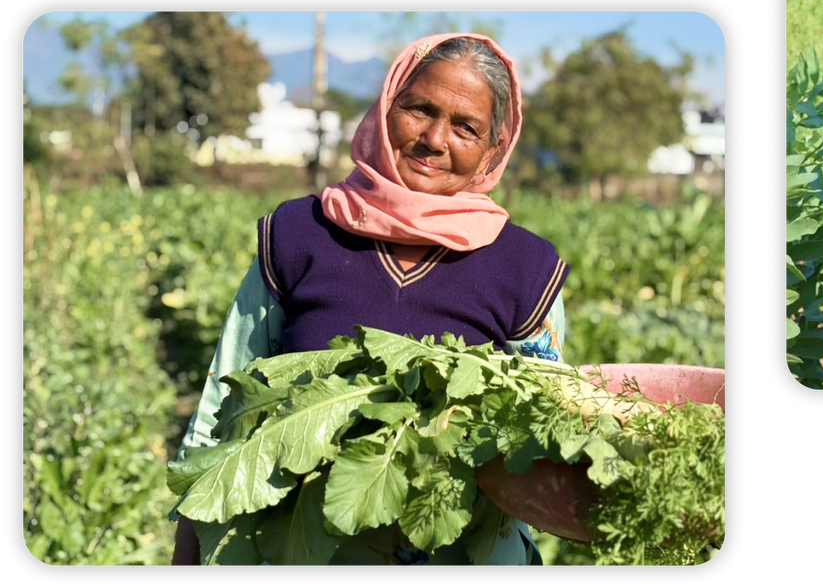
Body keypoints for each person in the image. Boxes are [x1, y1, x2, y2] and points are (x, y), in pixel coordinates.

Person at [169, 34, 567, 565]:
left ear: (494, 148)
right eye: (419, 109)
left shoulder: (527, 269)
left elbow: (550, 420)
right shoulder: (298, 235)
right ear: (386, 108)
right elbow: (226, 396)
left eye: (466, 126)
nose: (434, 138)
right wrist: (190, 545)